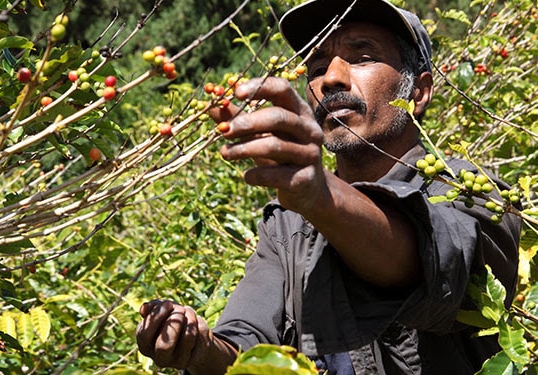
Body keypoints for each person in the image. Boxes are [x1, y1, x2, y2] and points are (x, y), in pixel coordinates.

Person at [135, 0, 522, 373]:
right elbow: (247, 347)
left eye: (363, 56)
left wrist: (321, 196)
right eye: (317, 66)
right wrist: (200, 350)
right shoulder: (288, 226)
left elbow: (430, 261)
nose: (331, 78)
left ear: (418, 92)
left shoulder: (472, 193)